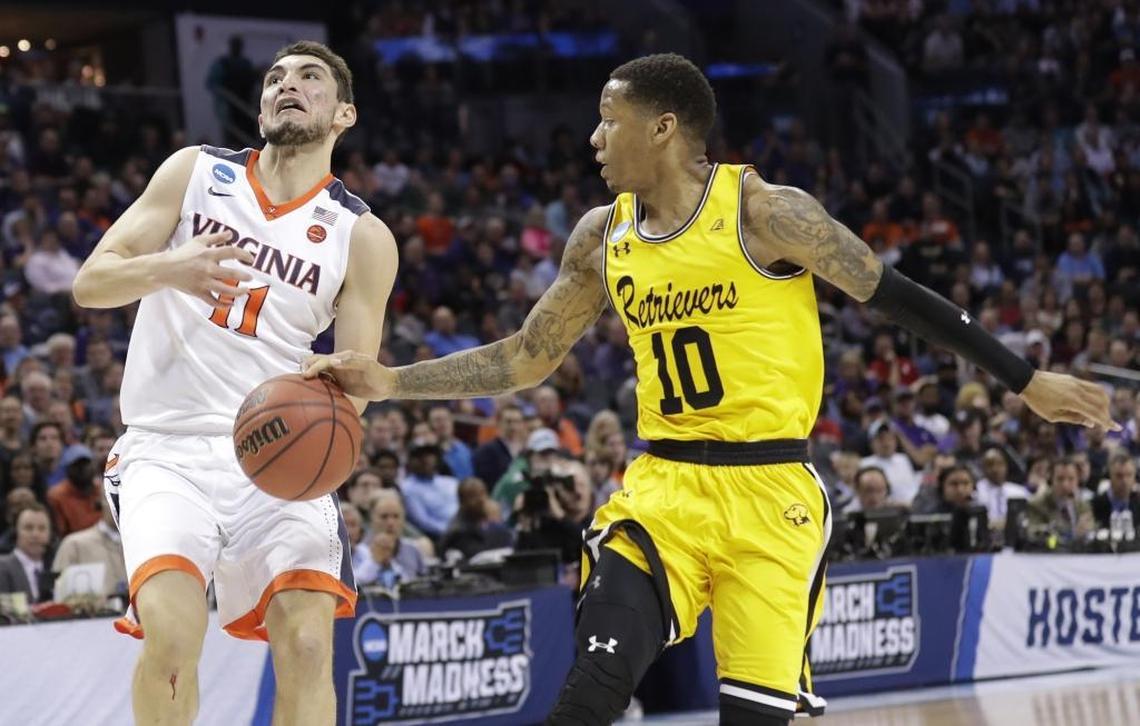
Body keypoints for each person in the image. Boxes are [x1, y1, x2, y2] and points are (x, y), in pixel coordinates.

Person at [305, 53, 1114, 725]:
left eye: (607, 119)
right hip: (664, 493)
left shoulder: (765, 213)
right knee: (590, 691)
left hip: (773, 497)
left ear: (662, 128)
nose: (591, 136)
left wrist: (1025, 378)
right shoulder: (602, 235)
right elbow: (527, 357)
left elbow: (894, 294)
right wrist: (390, 381)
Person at [71, 41, 397, 724]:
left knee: (308, 643)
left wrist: (341, 389)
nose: (289, 85)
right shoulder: (195, 173)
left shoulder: (360, 235)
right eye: (276, 77)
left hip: (280, 455)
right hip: (168, 449)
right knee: (171, 636)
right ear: (259, 108)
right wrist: (169, 268)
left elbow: (356, 382)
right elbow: (90, 282)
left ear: (344, 114)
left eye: (310, 78)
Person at [52, 479, 128, 600]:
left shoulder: (146, 545)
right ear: (101, 501)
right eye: (114, 498)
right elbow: (60, 601)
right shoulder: (74, 545)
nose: (120, 505)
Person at [438, 477, 513, 560]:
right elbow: (479, 556)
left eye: (483, 493)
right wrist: (495, 525)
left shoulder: (485, 524)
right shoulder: (459, 532)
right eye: (474, 496)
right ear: (462, 502)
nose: (481, 500)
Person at [1027, 457, 1095, 543]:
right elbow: (1034, 533)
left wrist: (1087, 530)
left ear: (1078, 480)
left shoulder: (1083, 504)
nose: (1065, 485)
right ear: (1051, 479)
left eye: (1071, 479)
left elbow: (1092, 529)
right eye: (1060, 479)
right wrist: (1072, 534)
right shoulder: (1037, 504)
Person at [0, 503, 53, 603]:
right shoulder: (2, 567)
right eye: (28, 528)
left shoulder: (55, 566)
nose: (35, 534)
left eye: (42, 528)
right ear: (16, 532)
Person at [472, 402, 527, 487]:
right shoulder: (486, 451)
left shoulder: (527, 451)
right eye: (508, 422)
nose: (513, 427)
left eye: (517, 422)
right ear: (498, 423)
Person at [1091, 450, 1140, 529]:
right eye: (1119, 476)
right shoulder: (1095, 504)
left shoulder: (1138, 502)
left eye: (1129, 475)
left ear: (1135, 477)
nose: (1124, 481)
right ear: (1109, 476)